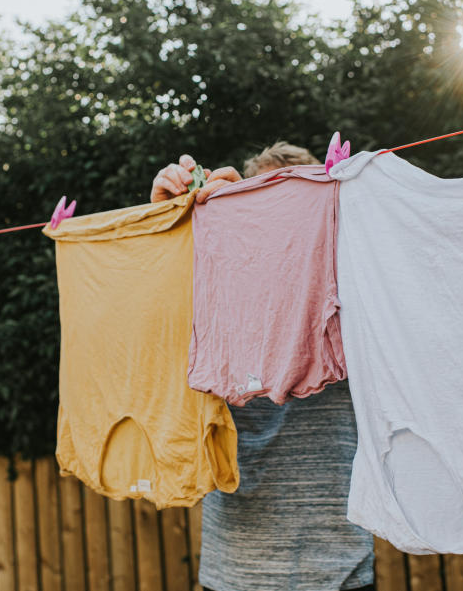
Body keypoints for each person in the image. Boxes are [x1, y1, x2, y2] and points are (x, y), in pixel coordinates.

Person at [151, 142, 376, 591]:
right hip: (233, 571)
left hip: (340, 572)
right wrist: (171, 228)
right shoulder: (208, 293)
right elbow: (157, 342)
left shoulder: (355, 281)